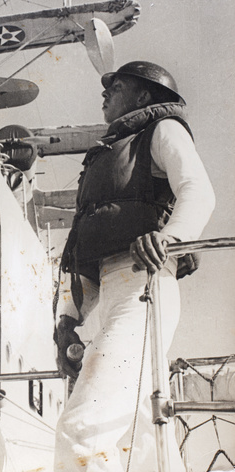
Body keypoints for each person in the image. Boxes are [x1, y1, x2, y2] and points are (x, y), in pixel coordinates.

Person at [53, 61, 215, 472]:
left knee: (83, 429)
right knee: (141, 442)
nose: (105, 92)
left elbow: (199, 191)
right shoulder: (106, 156)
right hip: (111, 290)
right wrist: (68, 320)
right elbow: (86, 253)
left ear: (143, 96)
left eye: (117, 85)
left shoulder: (162, 130)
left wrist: (170, 237)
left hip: (143, 284)